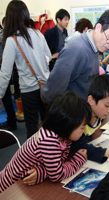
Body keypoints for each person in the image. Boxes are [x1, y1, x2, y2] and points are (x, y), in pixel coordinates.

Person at [0, 91, 90, 193]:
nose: (84, 130)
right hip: (10, 188)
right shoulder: (49, 140)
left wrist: (41, 172)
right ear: (68, 125)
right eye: (82, 127)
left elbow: (58, 164)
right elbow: (57, 175)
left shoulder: (63, 135)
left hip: (25, 184)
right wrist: (79, 160)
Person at [41, 9, 109, 103]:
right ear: (98, 27)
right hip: (70, 112)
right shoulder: (76, 49)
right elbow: (51, 92)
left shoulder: (95, 47)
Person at [0, 0, 51, 138]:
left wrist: (0, 95)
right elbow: (49, 56)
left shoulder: (12, 40)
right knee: (49, 125)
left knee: (32, 128)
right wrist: (40, 66)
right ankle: (50, 153)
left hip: (29, 89)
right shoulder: (38, 34)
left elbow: (5, 73)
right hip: (46, 86)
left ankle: (33, 157)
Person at [71, 74, 109, 165]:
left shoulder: (99, 115)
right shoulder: (79, 116)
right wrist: (107, 152)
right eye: (107, 105)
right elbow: (77, 146)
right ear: (91, 100)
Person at [0, 17, 17, 130]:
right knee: (7, 97)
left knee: (6, 97)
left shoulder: (6, 36)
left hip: (3, 70)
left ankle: (11, 122)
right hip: (5, 70)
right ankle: (12, 121)